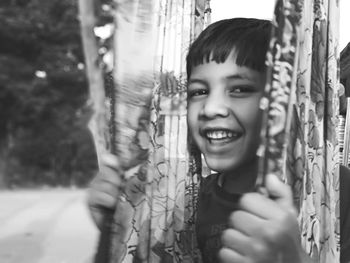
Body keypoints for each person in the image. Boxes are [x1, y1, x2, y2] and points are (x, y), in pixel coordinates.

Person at [88, 18, 349, 263]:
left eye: (240, 89)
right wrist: (113, 234)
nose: (211, 108)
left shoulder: (337, 192)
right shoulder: (186, 203)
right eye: (199, 91)